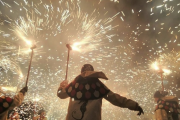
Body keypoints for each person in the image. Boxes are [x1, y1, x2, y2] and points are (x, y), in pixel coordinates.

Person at [57, 64, 144, 120]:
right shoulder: (98, 86)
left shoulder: (74, 84)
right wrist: (134, 105)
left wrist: (62, 86)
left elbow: (61, 94)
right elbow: (116, 99)